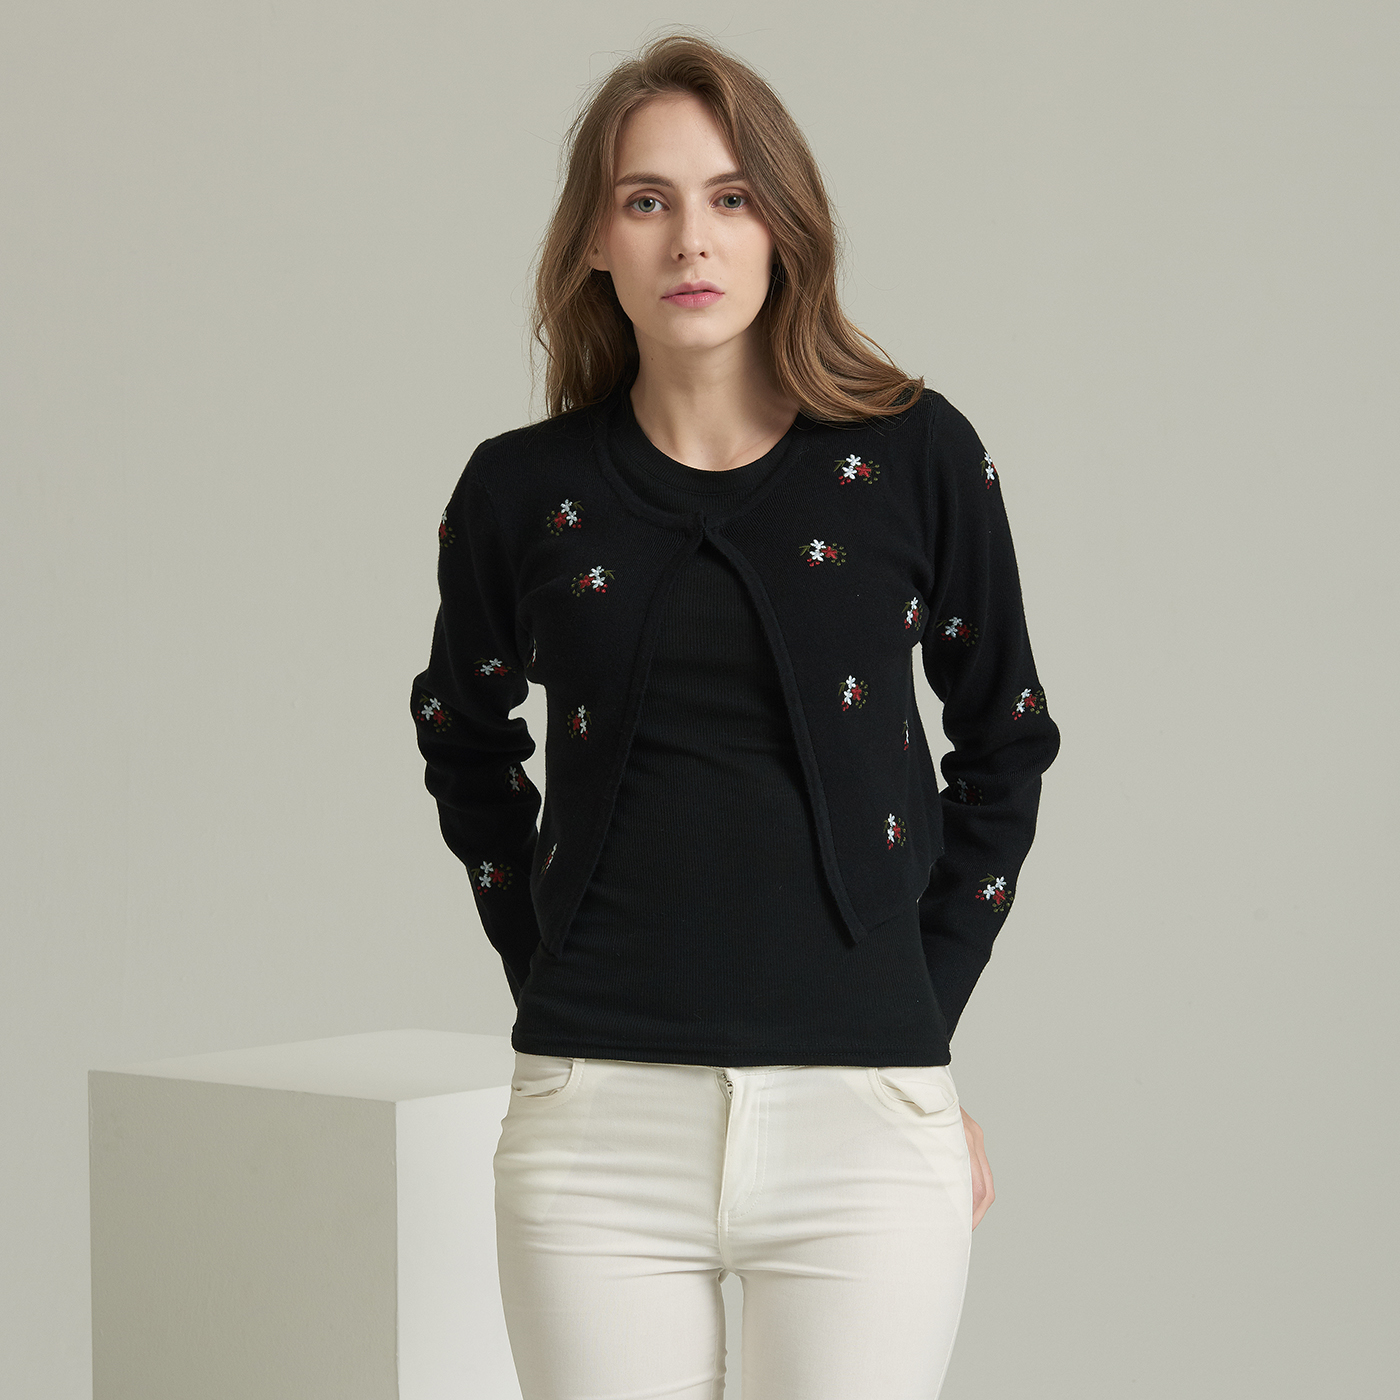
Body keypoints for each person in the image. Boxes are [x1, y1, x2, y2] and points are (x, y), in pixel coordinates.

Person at [410, 30, 1060, 1400]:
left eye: (730, 196)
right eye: (646, 199)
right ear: (596, 239)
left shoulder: (916, 455)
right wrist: (550, 966)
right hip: (595, 1131)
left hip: (863, 1130)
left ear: (784, 227)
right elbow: (461, 735)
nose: (690, 239)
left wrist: (917, 1022)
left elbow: (1005, 736)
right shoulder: (522, 490)